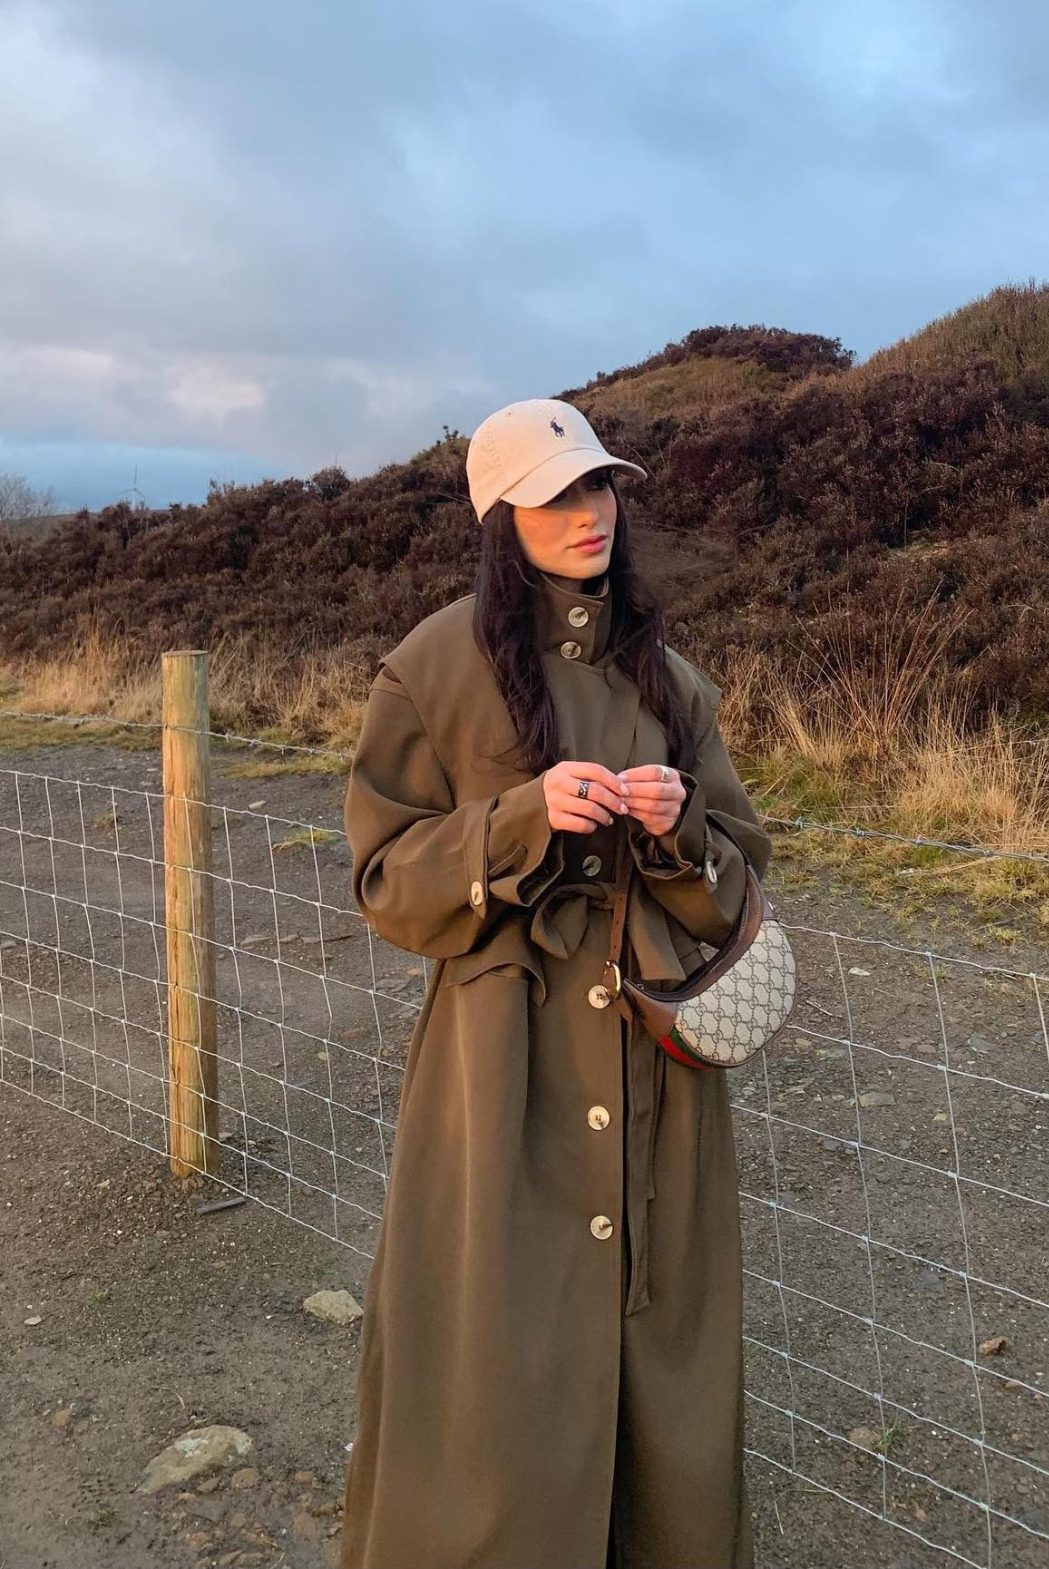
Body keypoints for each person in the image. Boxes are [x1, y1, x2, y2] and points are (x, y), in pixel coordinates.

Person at [339, 396, 771, 1569]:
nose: (587, 514)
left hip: (659, 1082)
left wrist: (681, 836)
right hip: (500, 1080)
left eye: (598, 488)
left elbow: (738, 891)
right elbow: (386, 878)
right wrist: (516, 824)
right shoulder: (430, 669)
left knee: (661, 1369)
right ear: (500, 519)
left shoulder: (673, 683)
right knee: (490, 1376)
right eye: (552, 496)